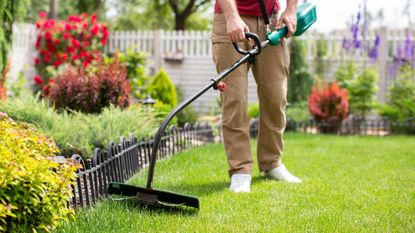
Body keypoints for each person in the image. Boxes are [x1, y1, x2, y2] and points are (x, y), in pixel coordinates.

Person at [211, 0, 302, 193]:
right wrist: (232, 17)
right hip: (231, 20)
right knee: (235, 100)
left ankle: (272, 163)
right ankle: (240, 170)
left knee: (276, 97)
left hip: (270, 21)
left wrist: (291, 9)